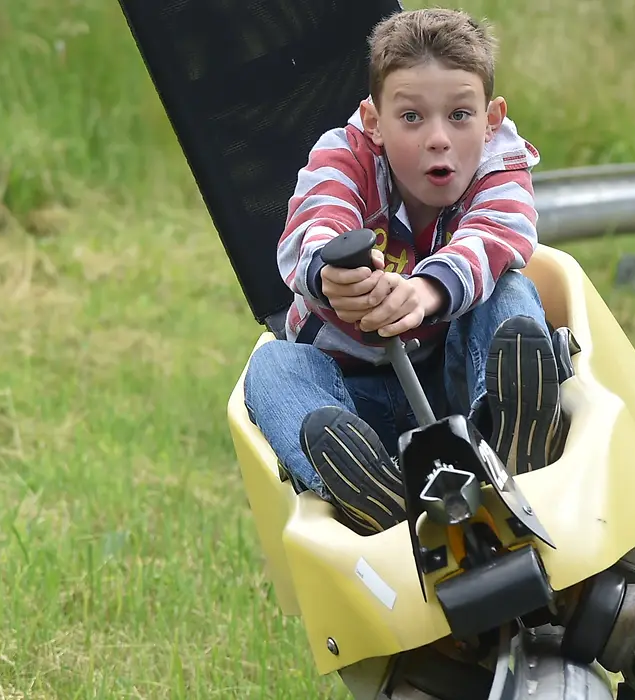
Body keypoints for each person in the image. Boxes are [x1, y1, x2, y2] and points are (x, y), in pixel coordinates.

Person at [242, 8, 574, 536]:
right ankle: (381, 495)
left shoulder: (501, 166)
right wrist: (334, 274)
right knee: (271, 369)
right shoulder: (342, 155)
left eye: (460, 115)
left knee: (511, 290)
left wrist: (425, 291)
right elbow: (318, 218)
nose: (438, 138)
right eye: (412, 117)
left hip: (459, 383)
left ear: (491, 120)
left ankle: (512, 444)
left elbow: (494, 236)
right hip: (354, 395)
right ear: (374, 121)